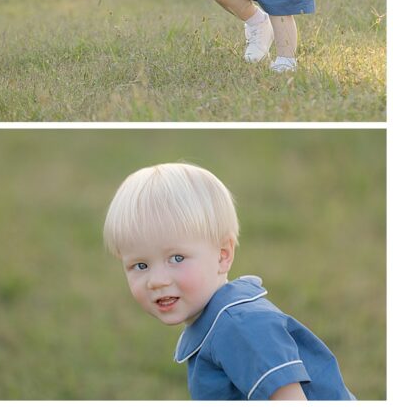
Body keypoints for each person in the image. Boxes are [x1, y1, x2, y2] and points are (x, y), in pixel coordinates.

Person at [103, 162, 354, 400]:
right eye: (141, 265)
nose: (156, 281)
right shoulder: (217, 321)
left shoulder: (240, 327)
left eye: (177, 258)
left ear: (223, 255)